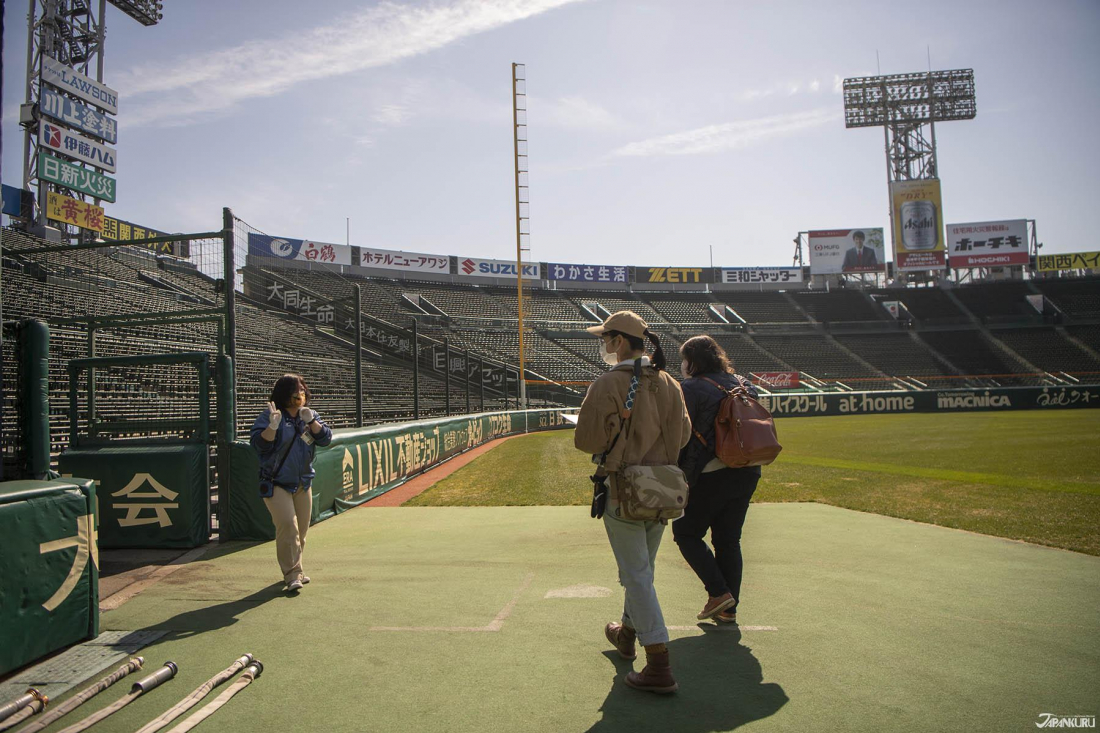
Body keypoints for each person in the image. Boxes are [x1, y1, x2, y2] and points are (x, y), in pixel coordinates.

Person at [574, 311, 692, 694]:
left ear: (619, 341)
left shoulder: (609, 381)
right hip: (664, 488)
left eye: (605, 337)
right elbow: (686, 434)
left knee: (637, 574)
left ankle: (658, 662)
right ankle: (626, 634)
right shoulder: (670, 382)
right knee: (643, 569)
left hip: (624, 489)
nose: (603, 345)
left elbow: (587, 441)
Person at [673, 336, 761, 624]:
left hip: (710, 473)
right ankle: (727, 611)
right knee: (728, 540)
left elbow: (682, 433)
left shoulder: (690, 387)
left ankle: (719, 592)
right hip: (747, 469)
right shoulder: (743, 383)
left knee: (686, 534)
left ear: (692, 361)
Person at [250, 374, 332, 592]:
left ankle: (297, 568)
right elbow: (260, 445)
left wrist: (311, 421)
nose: (300, 394)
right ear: (284, 393)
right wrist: (272, 427)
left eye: (302, 390)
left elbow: (325, 438)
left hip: (303, 481)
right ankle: (292, 574)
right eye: (295, 391)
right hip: (276, 482)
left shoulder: (309, 415)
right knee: (288, 525)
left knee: (302, 530)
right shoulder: (271, 415)